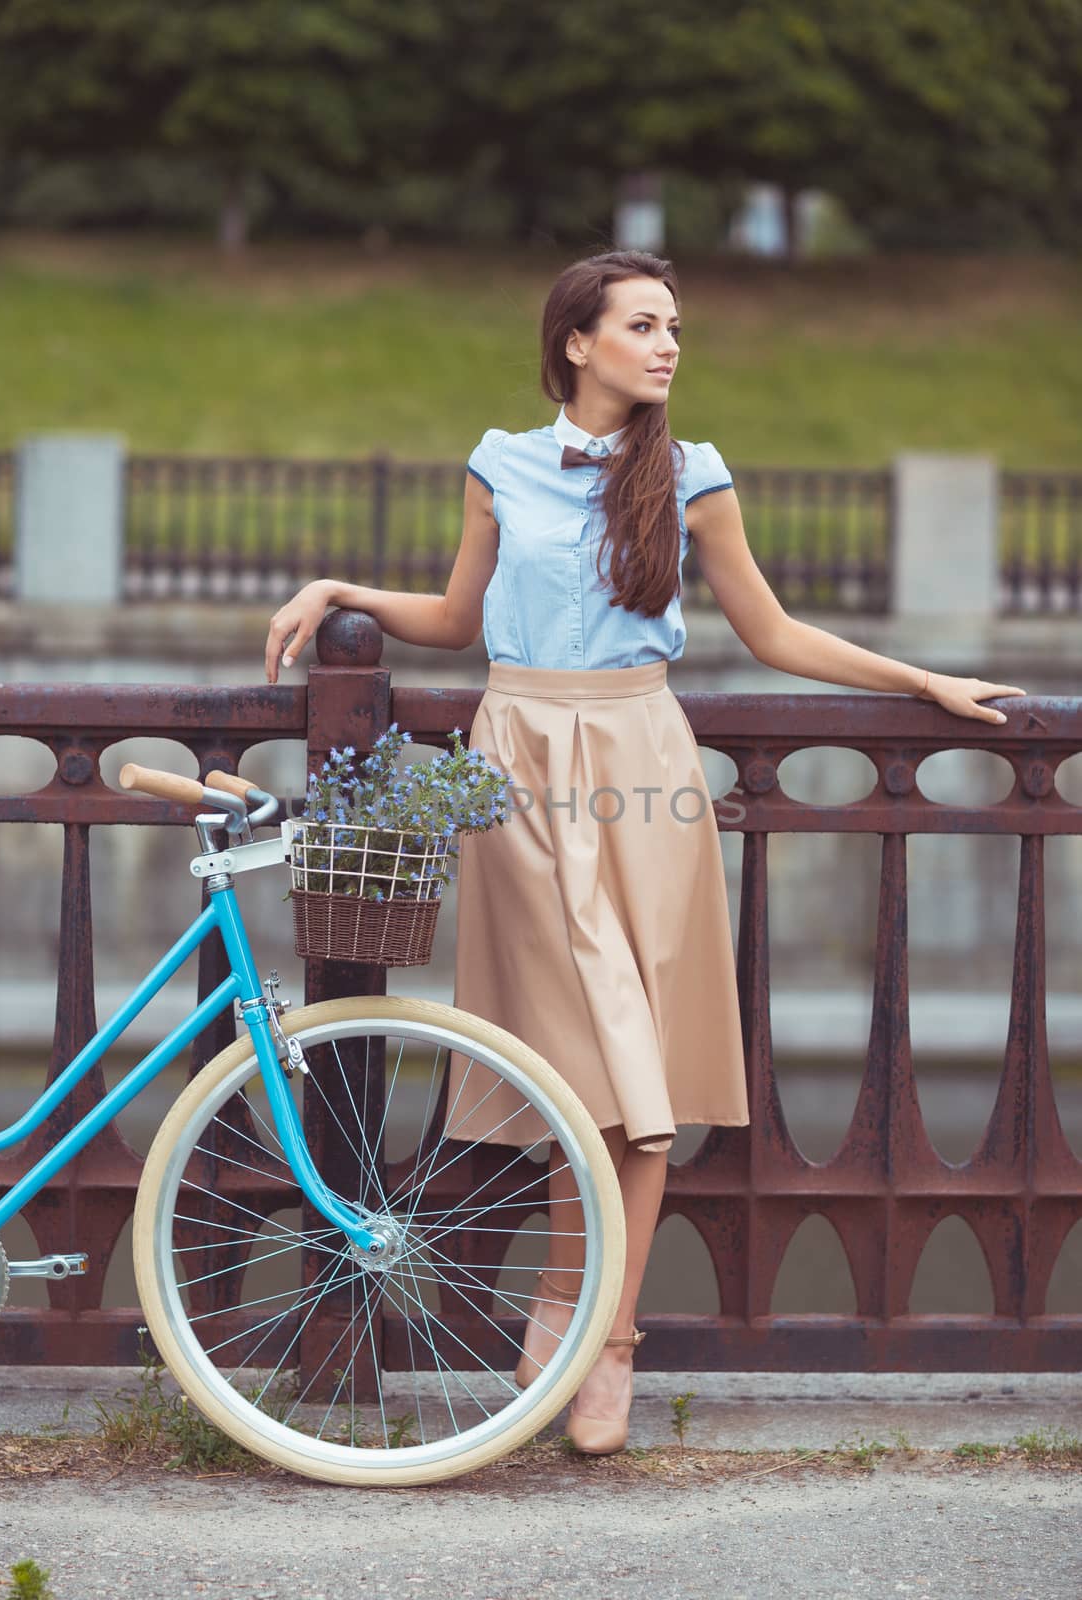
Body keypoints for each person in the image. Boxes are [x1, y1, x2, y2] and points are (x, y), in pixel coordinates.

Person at [264, 248, 1026, 1455]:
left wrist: (923, 678)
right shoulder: (499, 463)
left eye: (673, 325)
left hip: (640, 764)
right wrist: (338, 589)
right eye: (642, 324)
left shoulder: (693, 476)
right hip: (516, 762)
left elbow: (771, 632)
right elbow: (460, 623)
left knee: (640, 1076)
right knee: (571, 1058)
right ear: (576, 342)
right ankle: (580, 1315)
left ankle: (599, 1330)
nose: (668, 344)